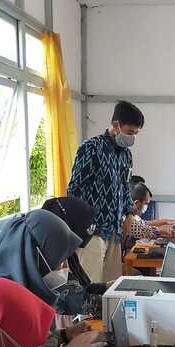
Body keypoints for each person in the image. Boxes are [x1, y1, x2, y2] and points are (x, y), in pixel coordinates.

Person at [0, 210, 107, 347]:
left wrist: (64, 335)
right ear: (37, 257)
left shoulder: (24, 287)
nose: (64, 267)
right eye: (59, 260)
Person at [67, 100, 144, 282]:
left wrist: (129, 213)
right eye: (130, 132)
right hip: (92, 232)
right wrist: (81, 225)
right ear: (116, 125)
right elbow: (74, 189)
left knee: (112, 286)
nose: (132, 137)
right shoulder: (91, 148)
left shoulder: (126, 154)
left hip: (115, 232)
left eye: (136, 133)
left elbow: (125, 187)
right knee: (90, 284)